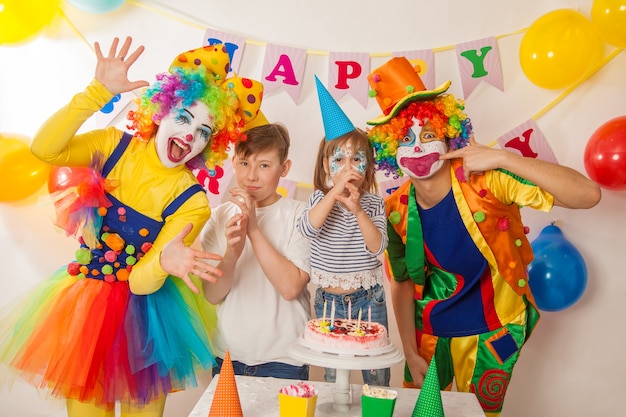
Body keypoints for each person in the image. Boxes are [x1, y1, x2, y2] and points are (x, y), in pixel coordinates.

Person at [0, 37, 264, 417]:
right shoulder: (112, 146)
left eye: (204, 131)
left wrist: (164, 262)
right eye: (185, 117)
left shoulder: (192, 201)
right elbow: (45, 150)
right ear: (161, 111)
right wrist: (97, 92)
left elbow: (141, 282)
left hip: (149, 322)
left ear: (211, 144)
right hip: (86, 305)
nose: (190, 135)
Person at [366, 57, 601, 416]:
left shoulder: (488, 182)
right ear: (389, 150)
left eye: (428, 135)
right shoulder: (395, 208)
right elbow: (400, 282)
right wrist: (411, 352)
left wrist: (502, 158)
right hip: (430, 336)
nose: (416, 147)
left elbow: (588, 195)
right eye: (405, 139)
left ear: (449, 140)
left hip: (496, 331)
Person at [296, 77, 390, 386]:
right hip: (328, 301)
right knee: (334, 376)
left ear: (368, 167)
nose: (348, 166)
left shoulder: (374, 204)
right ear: (326, 166)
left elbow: (377, 247)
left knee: (375, 374)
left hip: (368, 298)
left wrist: (358, 210)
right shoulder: (318, 201)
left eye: (356, 159)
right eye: (339, 159)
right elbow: (308, 230)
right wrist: (333, 193)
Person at [199, 122, 311, 380]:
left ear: (284, 168)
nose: (251, 176)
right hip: (228, 357)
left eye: (264, 165)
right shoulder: (217, 217)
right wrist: (231, 255)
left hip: (285, 360)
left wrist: (254, 230)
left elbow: (290, 288)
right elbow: (213, 295)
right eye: (244, 163)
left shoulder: (301, 215)